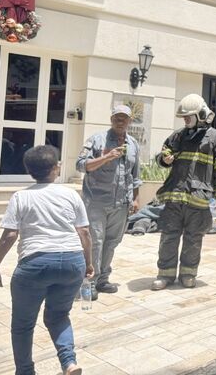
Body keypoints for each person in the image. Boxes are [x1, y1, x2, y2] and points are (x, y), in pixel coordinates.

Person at [0, 145, 93, 375]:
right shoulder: (69, 194)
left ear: (29, 171)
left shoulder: (21, 196)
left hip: (34, 266)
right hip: (72, 262)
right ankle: (69, 363)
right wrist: (88, 263)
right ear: (56, 168)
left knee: (23, 325)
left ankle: (25, 371)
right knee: (58, 316)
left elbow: (9, 235)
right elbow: (84, 232)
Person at [151, 94, 216, 290]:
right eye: (183, 118)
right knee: (169, 236)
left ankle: (188, 274)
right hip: (175, 197)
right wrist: (164, 158)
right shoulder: (177, 136)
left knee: (193, 238)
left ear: (201, 115)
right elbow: (162, 155)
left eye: (188, 117)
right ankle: (165, 275)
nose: (185, 121)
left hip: (198, 198)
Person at [75, 105, 141, 298]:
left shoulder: (133, 144)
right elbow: (80, 165)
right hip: (96, 201)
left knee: (112, 242)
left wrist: (136, 199)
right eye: (117, 118)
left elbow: (135, 174)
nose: (120, 121)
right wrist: (106, 157)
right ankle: (90, 283)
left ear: (129, 122)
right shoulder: (97, 139)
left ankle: (103, 279)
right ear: (111, 119)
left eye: (124, 118)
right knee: (95, 242)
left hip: (121, 203)